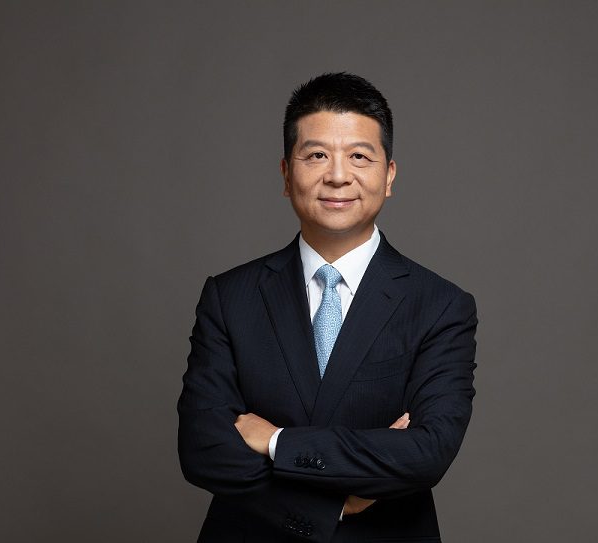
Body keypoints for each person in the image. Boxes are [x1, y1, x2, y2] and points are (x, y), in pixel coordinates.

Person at [177, 72, 478, 542]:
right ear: (286, 174)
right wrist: (330, 505)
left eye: (359, 156)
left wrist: (274, 441)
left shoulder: (440, 306)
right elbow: (202, 448)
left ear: (389, 175)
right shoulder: (230, 296)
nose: (338, 175)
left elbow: (426, 453)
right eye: (316, 155)